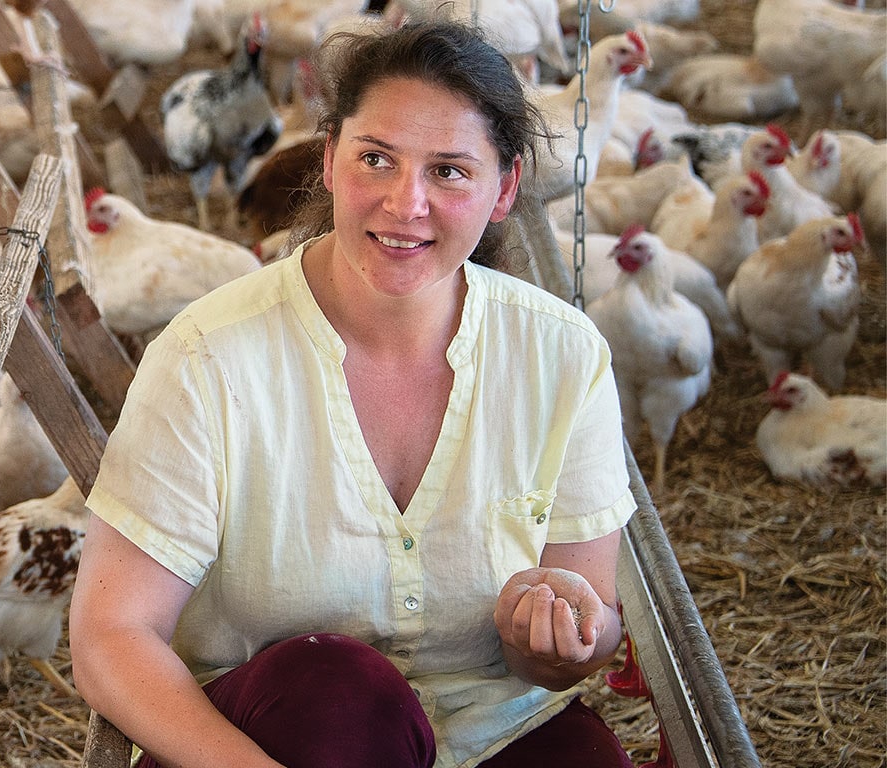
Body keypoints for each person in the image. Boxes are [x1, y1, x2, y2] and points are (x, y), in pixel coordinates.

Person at [69, 19, 637, 768]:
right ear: (330, 158)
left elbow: (589, 618)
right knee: (339, 691)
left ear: (505, 190)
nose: (406, 205)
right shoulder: (211, 357)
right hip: (276, 736)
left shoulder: (562, 356)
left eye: (449, 171)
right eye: (377, 158)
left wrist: (551, 640)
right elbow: (111, 633)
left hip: (486, 724)